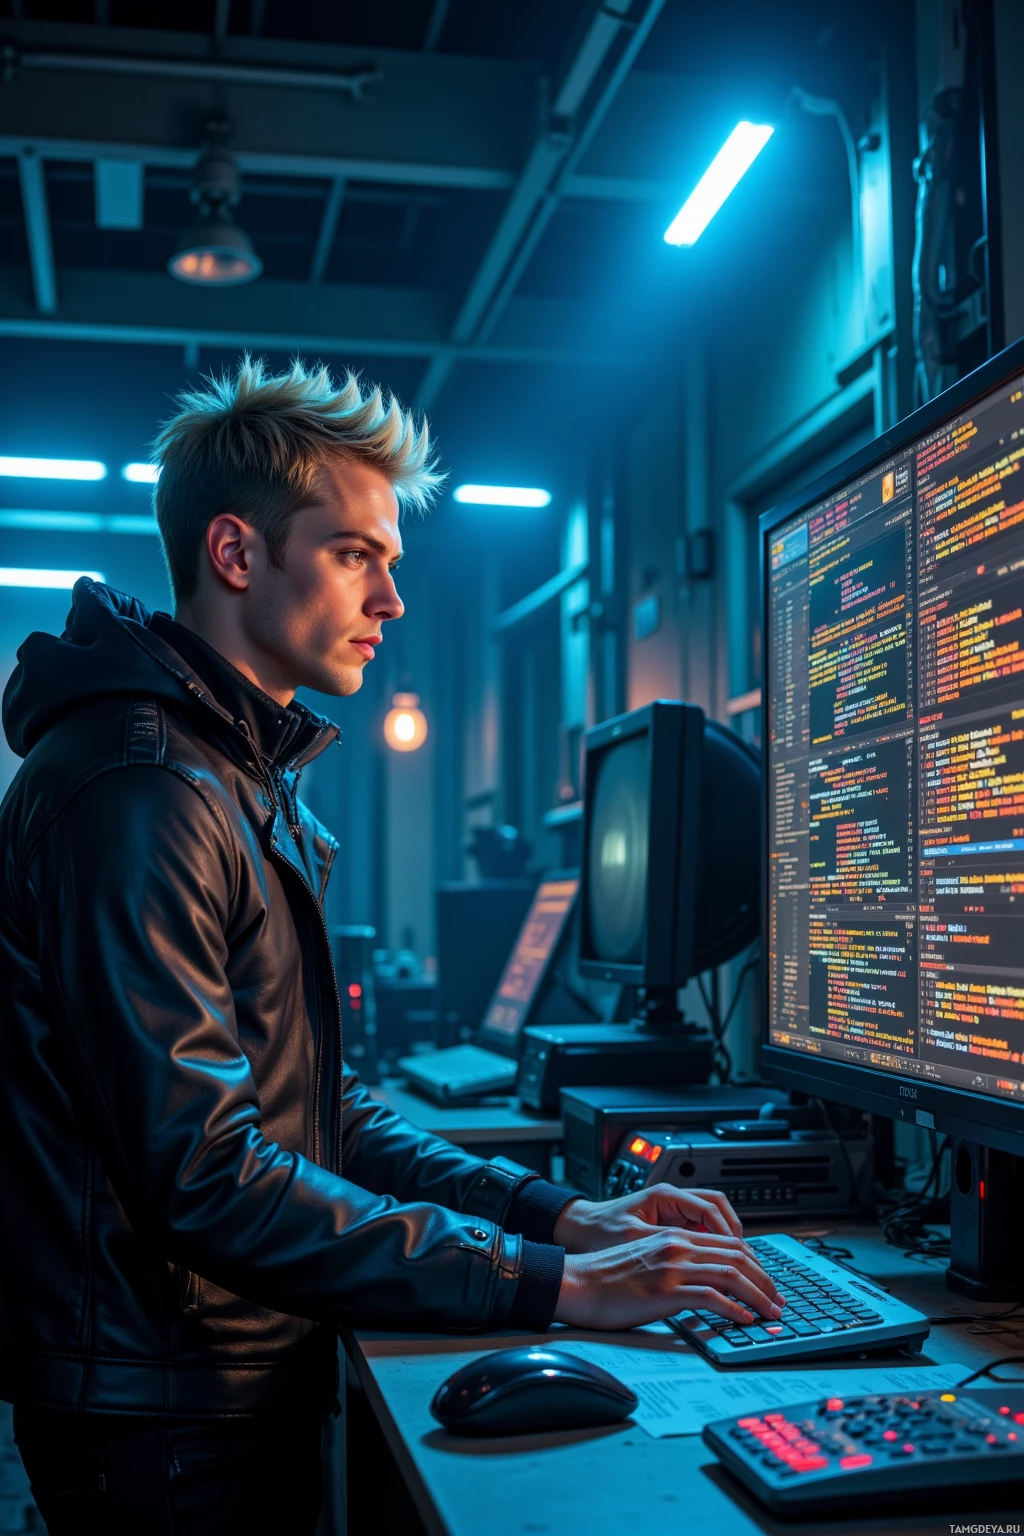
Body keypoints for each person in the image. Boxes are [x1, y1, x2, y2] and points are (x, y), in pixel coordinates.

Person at [0, 358, 783, 1534]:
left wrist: (558, 1217)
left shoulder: (232, 776)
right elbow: (203, 1175)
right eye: (355, 554)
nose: (392, 601)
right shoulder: (146, 789)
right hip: (163, 1408)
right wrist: (555, 1288)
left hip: (213, 1372)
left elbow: (321, 1109)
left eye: (391, 562)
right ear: (236, 553)